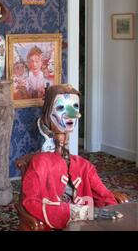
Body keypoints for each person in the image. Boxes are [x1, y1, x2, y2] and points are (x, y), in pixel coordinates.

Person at [21, 84, 121, 230]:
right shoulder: (40, 163)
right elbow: (30, 202)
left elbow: (105, 197)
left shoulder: (84, 166)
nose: (70, 114)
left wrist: (110, 215)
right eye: (61, 108)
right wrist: (75, 212)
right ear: (48, 114)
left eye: (74, 107)